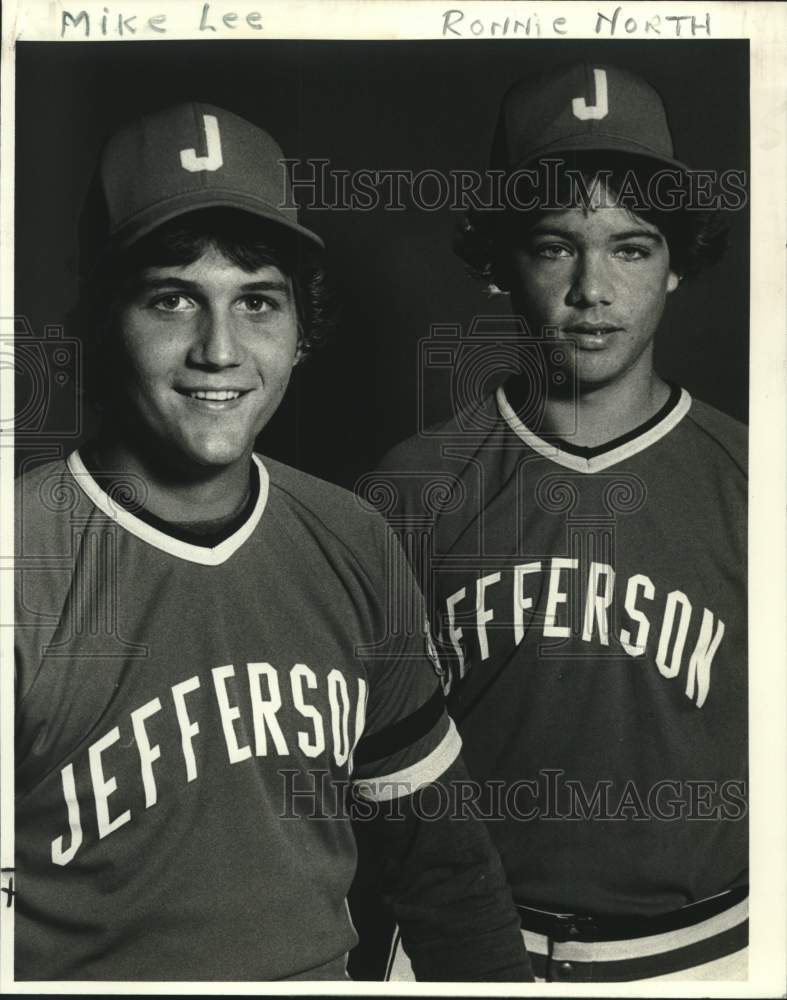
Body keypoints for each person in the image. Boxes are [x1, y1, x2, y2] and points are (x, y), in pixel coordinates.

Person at [13, 102, 533, 982]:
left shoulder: (352, 539)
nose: (220, 349)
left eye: (257, 302)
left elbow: (444, 875)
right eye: (171, 297)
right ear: (104, 318)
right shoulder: (22, 561)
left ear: (299, 332)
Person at [372, 63, 747, 982]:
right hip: (457, 949)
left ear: (677, 264)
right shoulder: (406, 491)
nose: (591, 288)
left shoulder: (755, 480)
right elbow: (364, 774)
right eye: (552, 246)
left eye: (630, 246)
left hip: (708, 951)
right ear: (500, 262)